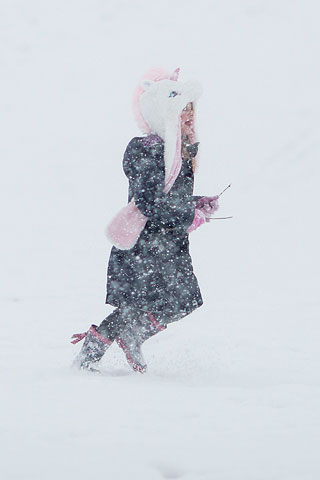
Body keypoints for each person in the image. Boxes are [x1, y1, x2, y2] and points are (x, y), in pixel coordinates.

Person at [71, 68, 219, 373]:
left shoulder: (177, 152)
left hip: (168, 244)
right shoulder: (147, 150)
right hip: (145, 246)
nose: (189, 115)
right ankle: (90, 355)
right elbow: (150, 201)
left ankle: (132, 335)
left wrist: (197, 204)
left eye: (191, 109)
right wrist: (189, 215)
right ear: (163, 114)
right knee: (135, 306)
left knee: (184, 300)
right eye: (181, 110)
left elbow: (168, 197)